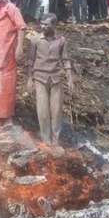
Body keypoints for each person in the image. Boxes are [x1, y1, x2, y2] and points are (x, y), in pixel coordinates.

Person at [26, 13, 74, 146]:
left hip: (56, 79)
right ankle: (46, 141)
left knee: (56, 111)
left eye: (46, 24)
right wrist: (30, 79)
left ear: (54, 25)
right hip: (40, 78)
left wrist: (70, 79)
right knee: (42, 112)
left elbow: (65, 60)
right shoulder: (35, 40)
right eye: (41, 23)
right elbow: (30, 61)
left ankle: (55, 140)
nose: (42, 26)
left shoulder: (61, 40)